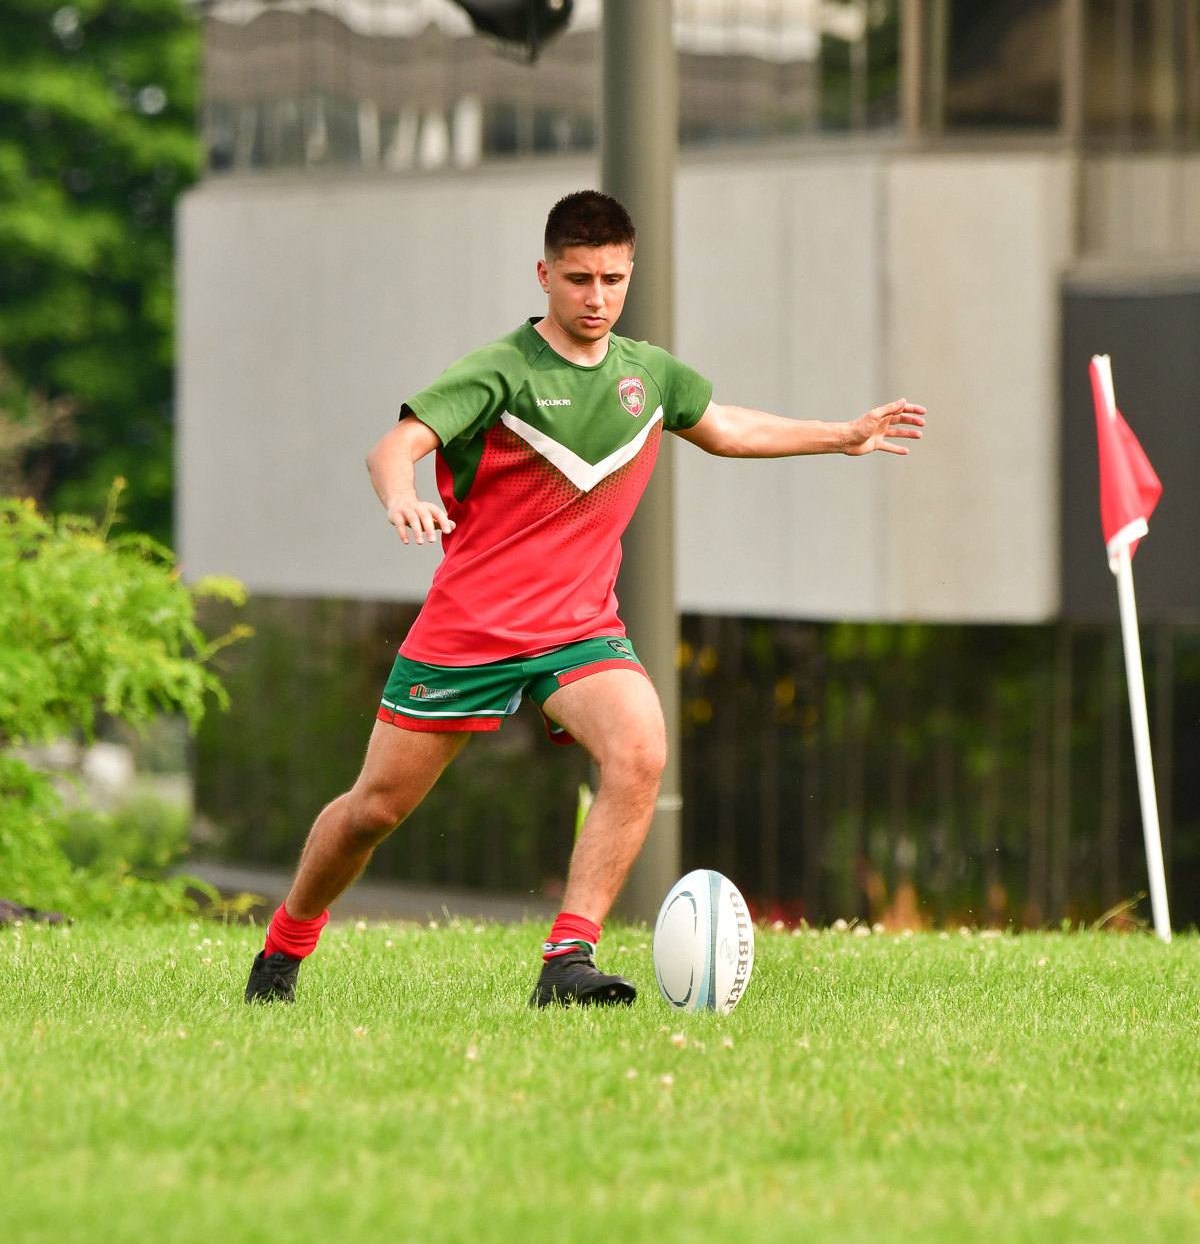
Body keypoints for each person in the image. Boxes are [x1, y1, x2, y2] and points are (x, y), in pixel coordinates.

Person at [244, 190, 924, 1008]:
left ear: (630, 273)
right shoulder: (502, 370)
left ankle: (566, 963)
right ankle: (283, 948)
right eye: (577, 279)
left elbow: (730, 429)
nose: (595, 298)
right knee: (374, 812)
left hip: (579, 631)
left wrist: (839, 433)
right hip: (470, 631)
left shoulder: (651, 375)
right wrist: (403, 496)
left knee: (639, 752)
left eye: (611, 279)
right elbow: (395, 447)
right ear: (544, 275)